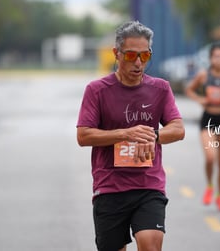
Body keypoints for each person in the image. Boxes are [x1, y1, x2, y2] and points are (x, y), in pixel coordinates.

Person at [77, 21, 185, 251]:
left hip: (149, 185)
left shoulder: (161, 88)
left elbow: (178, 129)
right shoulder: (97, 90)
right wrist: (126, 134)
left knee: (150, 243)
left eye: (145, 56)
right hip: (110, 187)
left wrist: (153, 136)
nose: (138, 63)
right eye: (131, 56)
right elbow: (83, 136)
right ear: (117, 54)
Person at [185, 44, 220, 211]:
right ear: (210, 59)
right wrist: (200, 100)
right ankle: (209, 185)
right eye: (215, 56)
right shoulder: (203, 75)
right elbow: (189, 89)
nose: (218, 59)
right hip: (208, 119)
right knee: (210, 158)